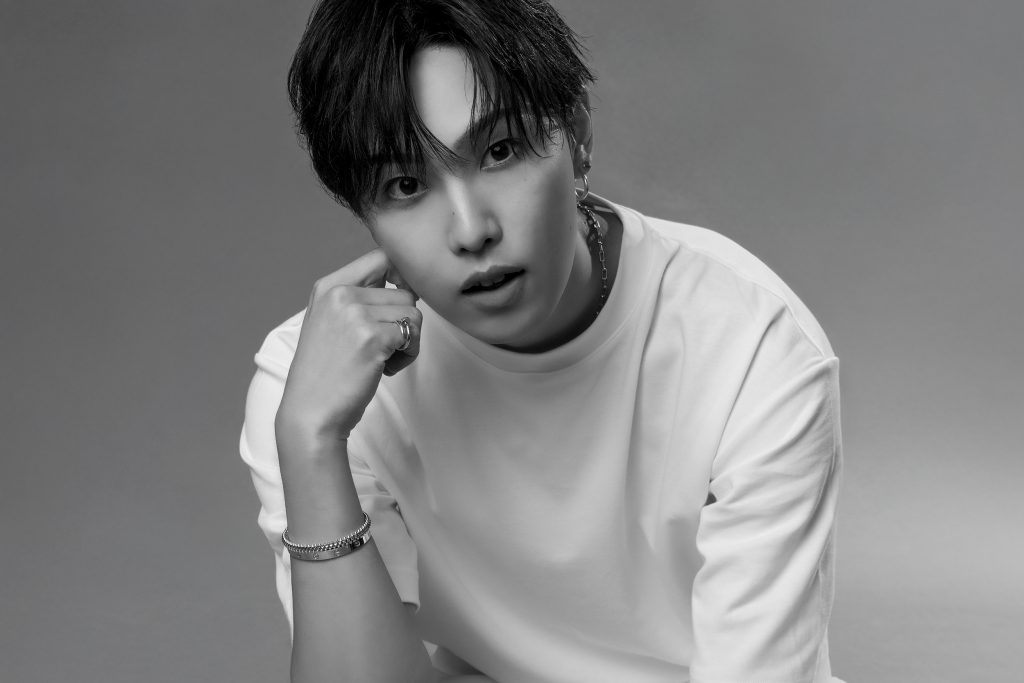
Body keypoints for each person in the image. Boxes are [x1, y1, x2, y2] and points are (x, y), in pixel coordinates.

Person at [240, 1, 845, 681]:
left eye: (499, 151)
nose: (471, 230)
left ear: (577, 137)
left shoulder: (749, 349)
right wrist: (312, 442)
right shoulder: (314, 388)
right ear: (365, 214)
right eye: (405, 185)